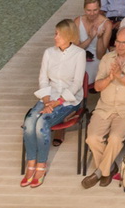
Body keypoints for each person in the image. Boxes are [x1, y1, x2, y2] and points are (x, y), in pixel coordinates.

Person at [20, 19, 86, 188]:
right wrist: (47, 101)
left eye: (58, 34)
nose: (54, 37)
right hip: (48, 96)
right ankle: (31, 163)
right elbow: (43, 78)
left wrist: (57, 103)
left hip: (68, 99)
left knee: (41, 123)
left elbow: (77, 83)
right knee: (29, 123)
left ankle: (41, 164)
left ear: (68, 36)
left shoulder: (79, 54)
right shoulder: (49, 52)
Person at [81, 27, 125, 189]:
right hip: (105, 107)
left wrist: (120, 75)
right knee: (92, 138)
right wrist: (111, 77)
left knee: (115, 138)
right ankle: (109, 168)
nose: (119, 46)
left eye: (124, 43)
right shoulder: (107, 58)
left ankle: (100, 172)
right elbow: (97, 87)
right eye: (117, 42)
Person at [73, 0, 107, 83]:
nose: (92, 14)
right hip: (80, 55)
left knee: (82, 73)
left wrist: (99, 38)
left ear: (100, 8)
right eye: (89, 10)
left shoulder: (106, 24)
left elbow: (101, 55)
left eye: (95, 10)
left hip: (97, 58)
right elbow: (74, 49)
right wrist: (90, 38)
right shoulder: (77, 21)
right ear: (84, 9)